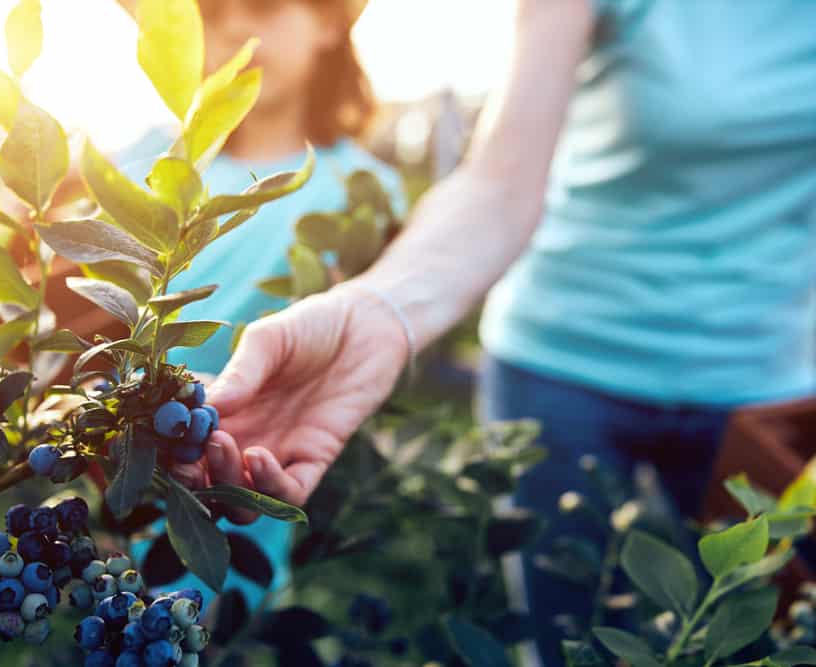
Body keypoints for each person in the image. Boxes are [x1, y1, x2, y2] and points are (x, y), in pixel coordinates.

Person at [200, 0, 816, 663]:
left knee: (765, 637)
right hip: (566, 363)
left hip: (762, 380)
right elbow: (501, 183)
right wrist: (378, 308)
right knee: (567, 639)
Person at [115, 0, 406, 609]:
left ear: (329, 21)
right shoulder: (141, 170)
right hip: (127, 458)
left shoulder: (366, 192)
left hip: (254, 454)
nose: (238, 29)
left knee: (223, 611)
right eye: (211, 12)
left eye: (263, 6)